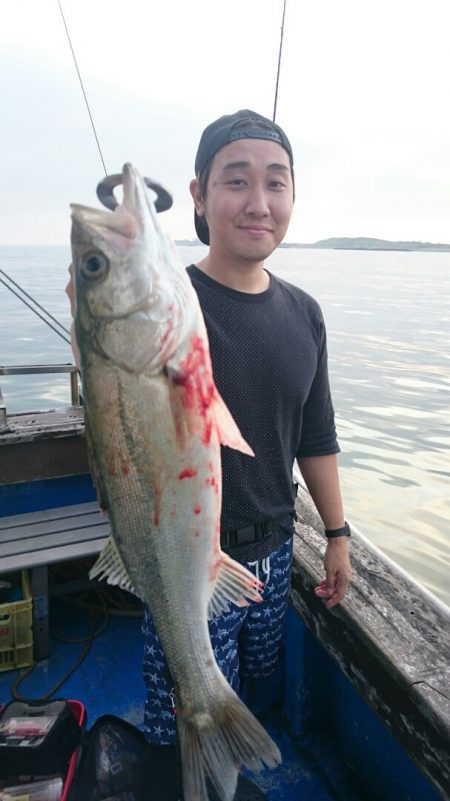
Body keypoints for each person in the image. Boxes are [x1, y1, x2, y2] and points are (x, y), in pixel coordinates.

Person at [141, 109, 352, 801]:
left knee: (249, 693)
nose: (258, 203)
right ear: (199, 196)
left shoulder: (305, 313)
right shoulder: (170, 311)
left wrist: (338, 533)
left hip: (273, 553)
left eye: (275, 182)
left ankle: (226, 779)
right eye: (236, 181)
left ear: (292, 196)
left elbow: (315, 432)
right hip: (182, 561)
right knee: (183, 714)